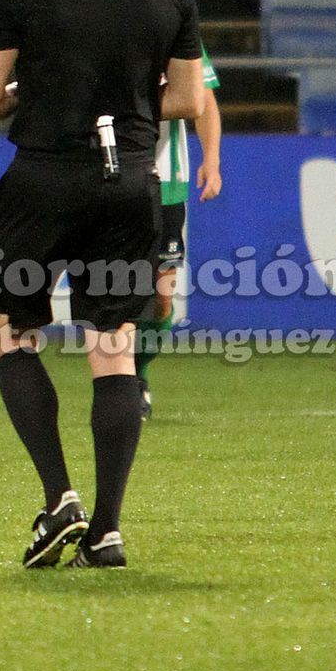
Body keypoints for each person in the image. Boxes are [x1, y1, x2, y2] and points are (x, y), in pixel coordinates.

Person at [0, 0, 204, 569]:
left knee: (13, 333)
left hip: (42, 177)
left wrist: (26, 94)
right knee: (114, 351)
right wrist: (126, 98)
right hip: (128, 180)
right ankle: (106, 528)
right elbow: (188, 98)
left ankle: (58, 495)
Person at [135, 48, 221, 419]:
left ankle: (136, 373)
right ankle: (115, 383)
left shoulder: (177, 26)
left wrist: (212, 159)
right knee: (110, 291)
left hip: (166, 183)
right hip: (106, 177)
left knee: (161, 297)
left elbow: (204, 99)